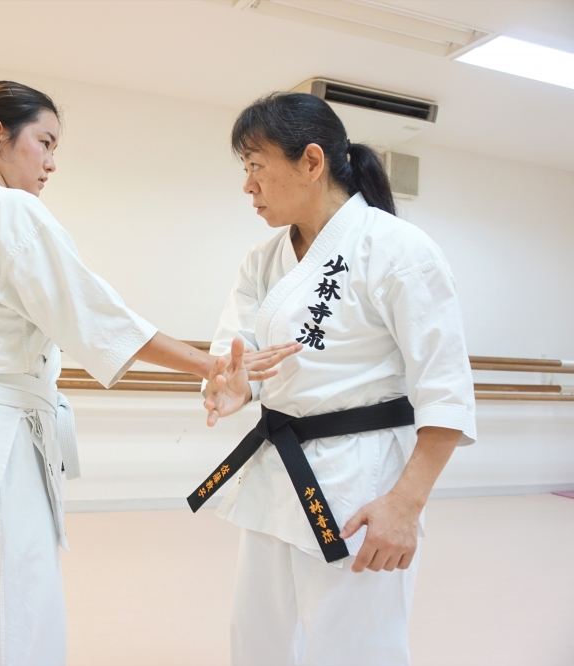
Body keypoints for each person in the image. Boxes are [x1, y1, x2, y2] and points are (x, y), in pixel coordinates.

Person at [0, 80, 297, 666]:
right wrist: (208, 363)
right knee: (16, 620)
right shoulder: (7, 209)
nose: (52, 163)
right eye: (44, 143)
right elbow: (91, 311)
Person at [200, 92, 477, 666]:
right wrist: (232, 387)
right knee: (258, 640)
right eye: (244, 169)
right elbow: (239, 356)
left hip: (361, 482)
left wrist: (405, 505)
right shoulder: (262, 258)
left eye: (256, 166)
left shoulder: (398, 249)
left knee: (355, 647)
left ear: (311, 161)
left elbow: (446, 393)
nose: (247, 186)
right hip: (278, 473)